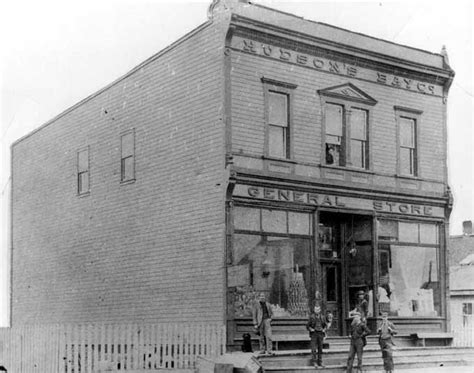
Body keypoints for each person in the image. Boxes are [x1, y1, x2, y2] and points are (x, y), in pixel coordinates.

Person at [306, 304, 333, 369]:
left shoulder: (323, 317)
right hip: (314, 334)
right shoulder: (311, 317)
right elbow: (307, 326)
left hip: (320, 334)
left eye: (318, 309)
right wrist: (311, 329)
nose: (316, 311)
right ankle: (314, 362)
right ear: (314, 310)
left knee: (320, 348)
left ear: (320, 310)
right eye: (315, 309)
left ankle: (320, 361)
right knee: (314, 349)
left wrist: (324, 330)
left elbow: (325, 325)